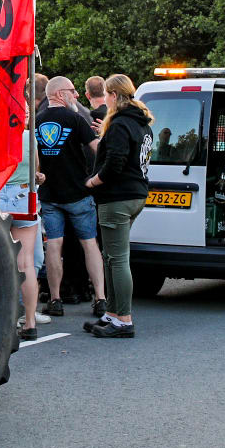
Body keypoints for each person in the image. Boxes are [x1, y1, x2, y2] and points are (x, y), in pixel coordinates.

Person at [85, 73, 153, 337]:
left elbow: (115, 163)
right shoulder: (142, 124)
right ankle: (112, 314)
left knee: (118, 259)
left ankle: (123, 319)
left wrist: (93, 182)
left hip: (117, 197)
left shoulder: (120, 124)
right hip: (136, 194)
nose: (106, 99)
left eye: (107, 94)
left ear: (113, 95)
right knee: (111, 257)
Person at [37, 75, 106, 318]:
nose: (76, 95)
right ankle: (100, 299)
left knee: (54, 246)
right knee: (90, 244)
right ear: (59, 94)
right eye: (72, 91)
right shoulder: (76, 119)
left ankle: (55, 299)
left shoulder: (36, 121)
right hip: (78, 193)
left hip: (49, 195)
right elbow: (98, 151)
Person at [0, 100, 46, 339]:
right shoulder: (29, 138)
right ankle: (29, 322)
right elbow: (35, 169)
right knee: (26, 263)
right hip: (22, 197)